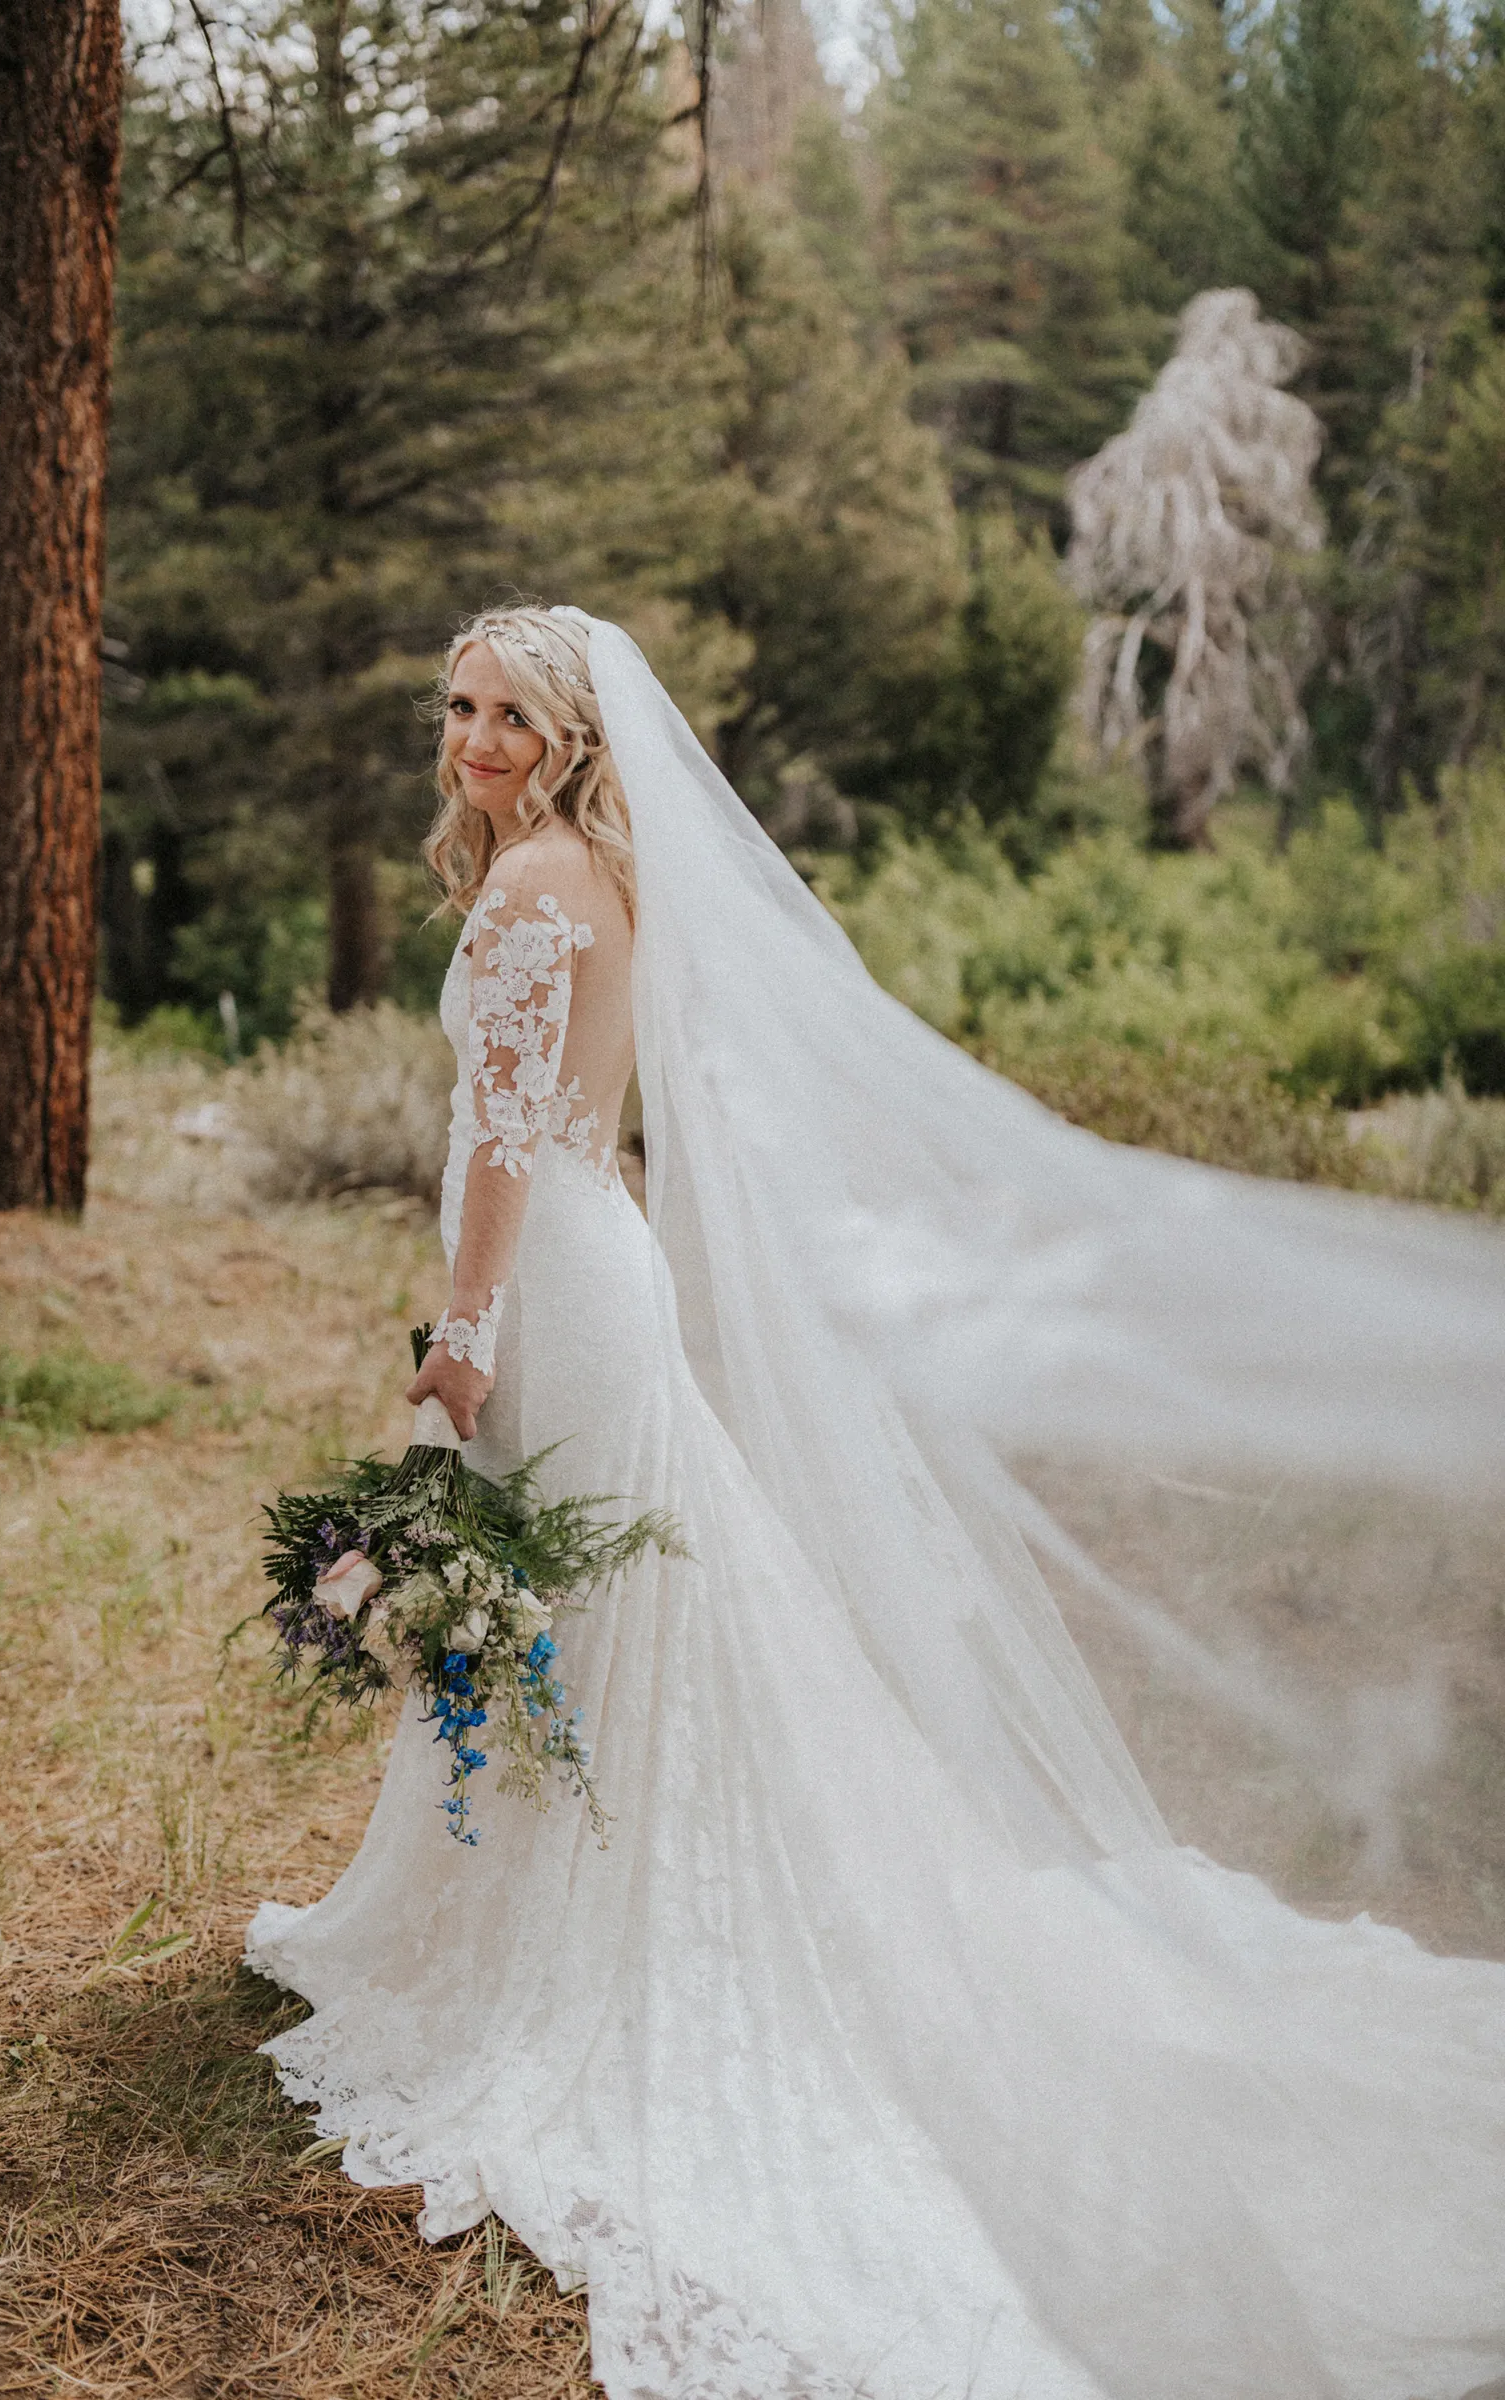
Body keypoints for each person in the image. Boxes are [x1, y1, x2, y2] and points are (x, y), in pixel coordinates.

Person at [249, 605, 1505, 2400]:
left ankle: (578, 1939)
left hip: (552, 1301)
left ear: (574, 731)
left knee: (579, 1606)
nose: (471, 740)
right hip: (590, 1280)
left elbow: (513, 1140)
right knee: (601, 1610)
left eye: (508, 713)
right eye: (455, 708)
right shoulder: (585, 871)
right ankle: (531, 1898)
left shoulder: (538, 891)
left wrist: (461, 1334)